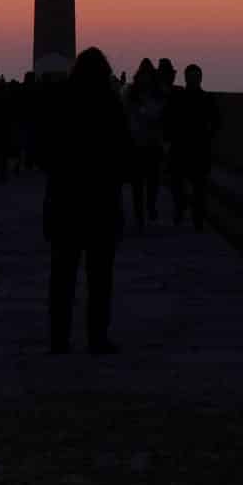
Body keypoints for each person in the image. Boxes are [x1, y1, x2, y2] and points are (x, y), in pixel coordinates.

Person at [43, 47, 132, 355]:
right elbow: (123, 152)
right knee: (100, 276)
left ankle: (59, 338)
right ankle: (97, 336)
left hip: (66, 200)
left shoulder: (61, 101)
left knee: (62, 275)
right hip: (101, 202)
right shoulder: (111, 104)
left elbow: (48, 151)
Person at [164, 63, 220, 231]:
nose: (193, 80)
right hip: (181, 149)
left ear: (200, 78)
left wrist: (208, 136)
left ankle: (198, 220)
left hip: (199, 150)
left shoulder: (207, 99)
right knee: (178, 185)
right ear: (186, 78)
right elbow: (169, 118)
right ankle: (181, 207)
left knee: (199, 189)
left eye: (196, 77)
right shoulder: (178, 98)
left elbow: (217, 122)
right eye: (191, 77)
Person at [125, 58, 167, 230]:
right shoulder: (131, 94)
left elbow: (164, 118)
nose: (145, 79)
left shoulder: (159, 95)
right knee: (137, 182)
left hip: (153, 144)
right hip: (137, 144)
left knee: (152, 180)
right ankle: (140, 213)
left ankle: (149, 206)